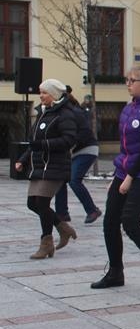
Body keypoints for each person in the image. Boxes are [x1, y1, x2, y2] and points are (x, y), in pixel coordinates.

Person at [90, 66, 140, 292]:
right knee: (110, 222)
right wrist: (118, 175)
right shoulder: (129, 108)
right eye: (126, 80)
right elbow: (126, 148)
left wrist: (129, 177)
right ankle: (115, 272)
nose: (128, 84)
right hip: (126, 171)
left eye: (132, 80)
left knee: (130, 221)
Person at [15, 79, 78, 259]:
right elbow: (34, 143)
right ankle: (63, 227)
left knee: (42, 204)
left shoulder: (65, 113)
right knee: (32, 204)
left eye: (44, 92)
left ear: (54, 95)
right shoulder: (43, 112)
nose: (40, 95)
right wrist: (22, 159)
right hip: (39, 165)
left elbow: (69, 140)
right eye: (40, 92)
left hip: (55, 166)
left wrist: (44, 145)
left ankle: (46, 244)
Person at [54, 85, 102, 225]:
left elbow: (85, 132)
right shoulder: (63, 113)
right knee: (61, 179)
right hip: (75, 151)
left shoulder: (75, 112)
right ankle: (62, 214)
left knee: (74, 180)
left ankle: (92, 210)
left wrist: (71, 143)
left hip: (87, 149)